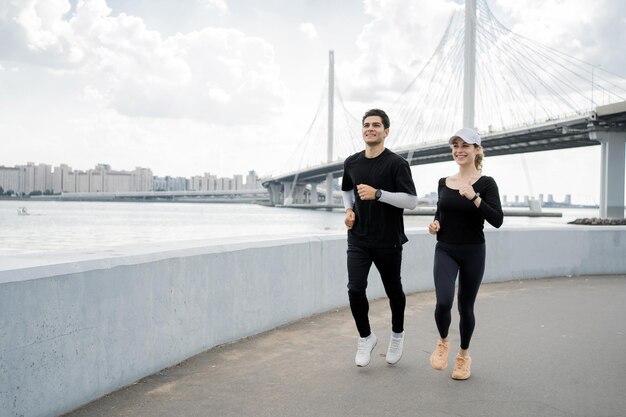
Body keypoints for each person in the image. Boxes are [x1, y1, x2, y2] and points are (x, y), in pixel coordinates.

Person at [341, 108, 418, 367]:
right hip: (359, 239)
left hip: (388, 239)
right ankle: (366, 337)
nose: (370, 128)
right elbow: (346, 190)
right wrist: (349, 210)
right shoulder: (352, 162)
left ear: (386, 132)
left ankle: (397, 334)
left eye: (376, 125)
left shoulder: (397, 164)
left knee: (393, 290)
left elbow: (412, 201)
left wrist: (379, 194)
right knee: (355, 289)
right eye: (366, 125)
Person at [427, 127, 503, 380]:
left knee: (465, 307)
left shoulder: (486, 183)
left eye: (465, 146)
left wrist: (475, 198)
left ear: (476, 150)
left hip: (473, 251)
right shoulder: (443, 183)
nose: (459, 150)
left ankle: (463, 357)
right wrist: (435, 224)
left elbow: (497, 220)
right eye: (455, 146)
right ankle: (443, 342)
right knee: (443, 302)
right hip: (445, 249)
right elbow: (441, 213)